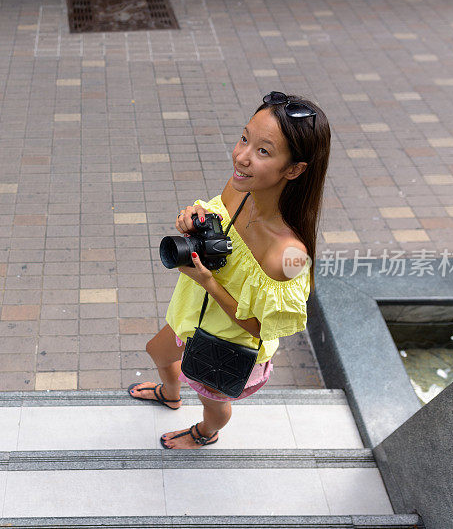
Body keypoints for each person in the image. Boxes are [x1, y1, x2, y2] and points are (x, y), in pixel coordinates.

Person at [128, 91, 331, 449]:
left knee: (215, 404)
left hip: (227, 345)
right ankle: (171, 395)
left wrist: (208, 281)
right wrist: (192, 219)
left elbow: (261, 328)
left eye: (263, 151)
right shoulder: (241, 189)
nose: (241, 156)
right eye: (244, 138)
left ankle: (207, 433)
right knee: (158, 352)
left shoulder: (290, 255)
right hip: (192, 317)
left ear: (295, 169)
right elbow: (215, 218)